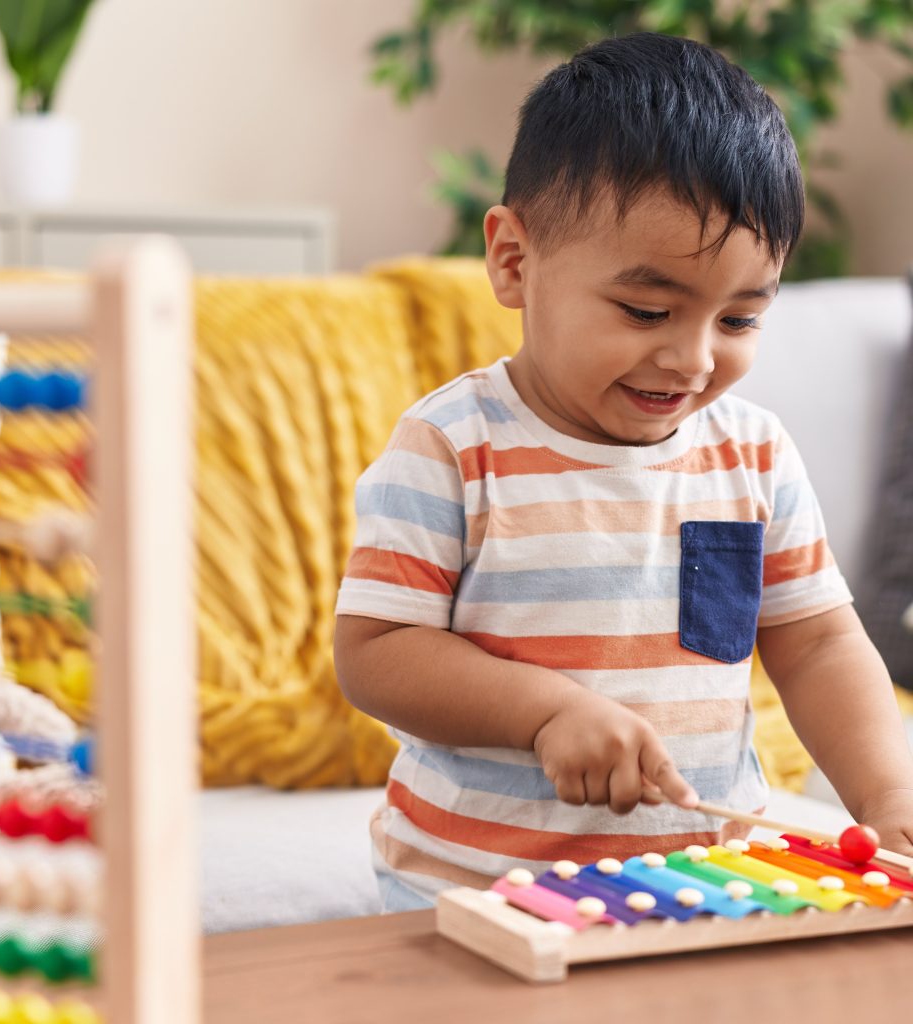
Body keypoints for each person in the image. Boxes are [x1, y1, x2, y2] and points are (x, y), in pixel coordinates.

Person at [333, 32, 913, 912]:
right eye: (647, 310)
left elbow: (821, 642)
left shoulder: (753, 453)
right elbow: (376, 653)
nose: (691, 359)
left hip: (702, 888)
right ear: (515, 261)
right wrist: (544, 710)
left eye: (739, 320)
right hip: (470, 895)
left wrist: (887, 794)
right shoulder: (452, 445)